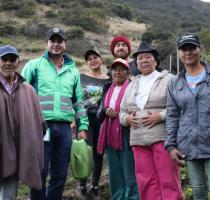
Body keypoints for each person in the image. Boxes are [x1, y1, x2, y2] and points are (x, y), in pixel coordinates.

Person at [21, 27, 89, 200]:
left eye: (60, 41)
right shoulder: (33, 66)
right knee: (40, 173)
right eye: (53, 40)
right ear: (47, 43)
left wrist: (82, 126)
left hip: (65, 129)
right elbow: (20, 96)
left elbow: (79, 103)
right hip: (41, 127)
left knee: (59, 174)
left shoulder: (73, 71)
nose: (56, 44)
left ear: (65, 45)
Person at [0, 45, 46, 199]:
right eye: (4, 59)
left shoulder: (29, 90)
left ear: (18, 62)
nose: (8, 63)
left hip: (17, 151)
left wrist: (32, 146)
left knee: (9, 196)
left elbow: (39, 123)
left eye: (12, 59)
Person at [165, 33, 210, 200]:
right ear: (179, 53)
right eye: (183, 49)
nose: (188, 53)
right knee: (198, 192)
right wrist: (171, 145)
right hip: (189, 145)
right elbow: (172, 115)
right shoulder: (175, 82)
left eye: (192, 48)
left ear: (200, 49)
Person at [119, 42, 183, 200]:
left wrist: (160, 116)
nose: (144, 60)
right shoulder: (132, 83)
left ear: (156, 61)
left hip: (163, 139)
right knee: (145, 181)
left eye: (148, 57)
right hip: (138, 140)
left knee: (168, 179)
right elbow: (122, 112)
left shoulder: (169, 79)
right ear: (136, 63)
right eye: (140, 58)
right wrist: (127, 119)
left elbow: (181, 106)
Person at [97, 58, 139, 200]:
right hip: (109, 133)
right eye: (115, 69)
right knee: (115, 172)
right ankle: (118, 197)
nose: (118, 72)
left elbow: (136, 108)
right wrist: (105, 111)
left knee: (129, 171)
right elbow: (99, 110)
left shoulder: (133, 86)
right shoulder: (108, 88)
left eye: (122, 69)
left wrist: (122, 115)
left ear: (128, 72)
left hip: (126, 134)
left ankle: (132, 197)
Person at [76, 49, 109, 200]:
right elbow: (75, 100)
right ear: (87, 62)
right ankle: (81, 184)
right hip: (85, 120)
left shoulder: (108, 79)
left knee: (98, 153)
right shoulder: (81, 78)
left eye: (96, 57)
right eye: (89, 59)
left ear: (101, 59)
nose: (93, 60)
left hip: (101, 120)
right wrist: (73, 120)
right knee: (84, 152)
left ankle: (95, 186)